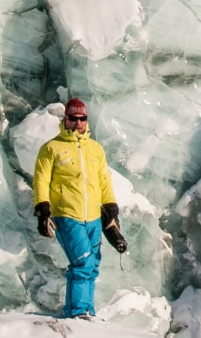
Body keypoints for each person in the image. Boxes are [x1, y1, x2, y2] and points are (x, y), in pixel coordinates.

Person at [32, 97, 129, 319]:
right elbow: (41, 180)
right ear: (65, 120)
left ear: (86, 121)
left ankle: (85, 311)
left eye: (82, 119)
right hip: (67, 215)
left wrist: (111, 209)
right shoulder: (51, 149)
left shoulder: (95, 149)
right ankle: (78, 311)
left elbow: (104, 181)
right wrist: (42, 209)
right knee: (82, 262)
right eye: (73, 118)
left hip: (93, 216)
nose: (78, 123)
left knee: (92, 264)